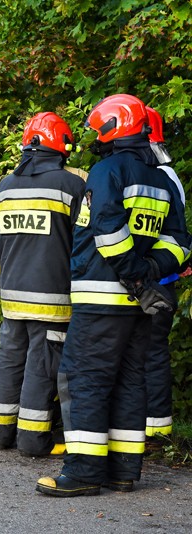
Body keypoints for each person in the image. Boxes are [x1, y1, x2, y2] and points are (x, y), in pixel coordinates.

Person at [36, 94, 189, 497]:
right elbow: (179, 242)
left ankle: (84, 472)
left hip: (102, 298)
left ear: (111, 129)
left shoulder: (105, 172)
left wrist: (137, 277)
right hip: (140, 304)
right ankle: (122, 470)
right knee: (128, 381)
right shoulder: (160, 178)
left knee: (84, 380)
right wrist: (152, 273)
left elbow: (105, 230)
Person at [0, 112, 87, 457]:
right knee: (42, 365)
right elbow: (85, 244)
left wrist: (1, 287)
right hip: (54, 297)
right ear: (62, 147)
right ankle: (32, 441)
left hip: (12, 296)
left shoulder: (4, 186)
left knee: (10, 359)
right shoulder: (73, 185)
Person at [143, 106, 191, 440]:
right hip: (161, 280)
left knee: (144, 355)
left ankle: (149, 429)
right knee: (153, 355)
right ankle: (156, 428)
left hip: (148, 282)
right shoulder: (168, 175)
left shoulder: (151, 177)